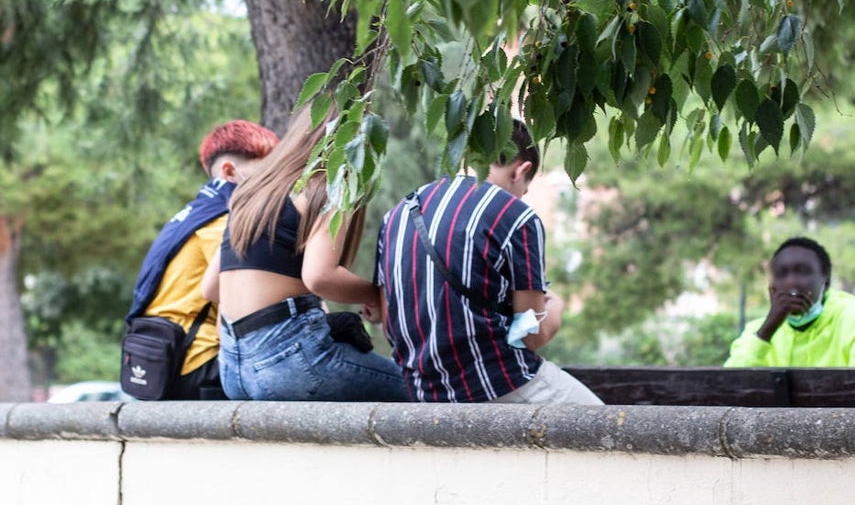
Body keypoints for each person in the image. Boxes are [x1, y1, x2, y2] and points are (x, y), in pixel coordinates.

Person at [375, 121, 600, 404]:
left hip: (426, 393)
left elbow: (388, 323)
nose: (520, 197)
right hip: (495, 384)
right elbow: (529, 335)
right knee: (611, 433)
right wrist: (555, 309)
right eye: (524, 190)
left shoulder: (397, 215)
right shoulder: (515, 215)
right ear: (521, 171)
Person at [201, 109, 408, 401]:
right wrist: (376, 293)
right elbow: (320, 276)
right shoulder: (331, 183)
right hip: (294, 364)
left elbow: (210, 289)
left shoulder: (250, 192)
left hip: (233, 371)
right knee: (421, 391)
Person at [126, 120, 279, 399]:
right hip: (196, 360)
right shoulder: (222, 220)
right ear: (229, 171)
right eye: (267, 172)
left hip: (160, 356)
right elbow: (233, 299)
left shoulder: (193, 214)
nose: (275, 182)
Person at [724, 237, 855, 367]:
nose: (791, 282)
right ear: (771, 286)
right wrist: (769, 328)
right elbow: (728, 388)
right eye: (781, 274)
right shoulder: (756, 331)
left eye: (803, 272)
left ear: (825, 281)